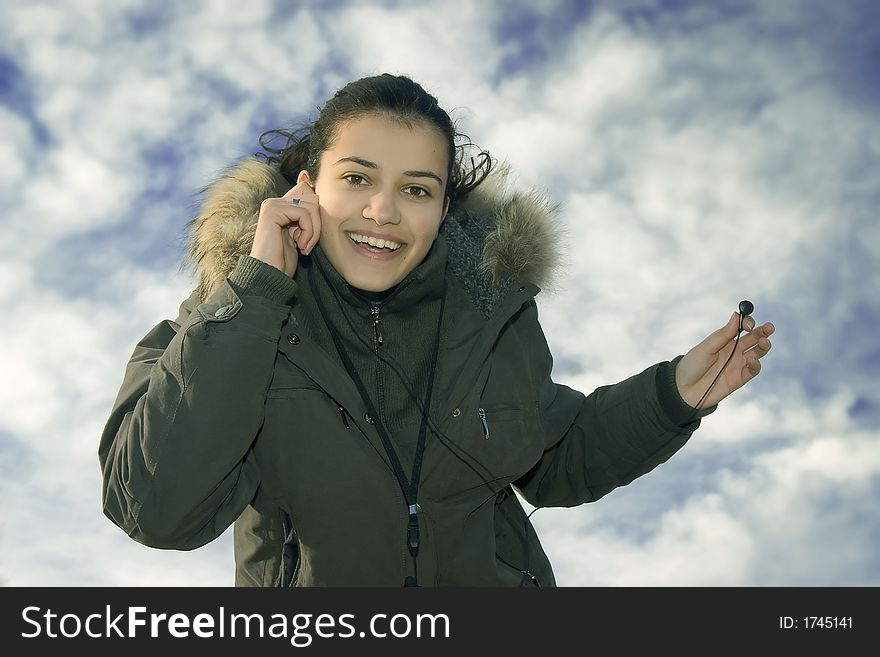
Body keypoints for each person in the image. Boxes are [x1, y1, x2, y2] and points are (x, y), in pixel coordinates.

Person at [99, 73, 774, 587]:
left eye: (417, 189)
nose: (383, 209)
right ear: (308, 186)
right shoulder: (227, 316)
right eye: (358, 177)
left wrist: (675, 395)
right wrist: (256, 290)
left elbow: (552, 456)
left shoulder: (492, 314)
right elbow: (155, 507)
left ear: (443, 205)